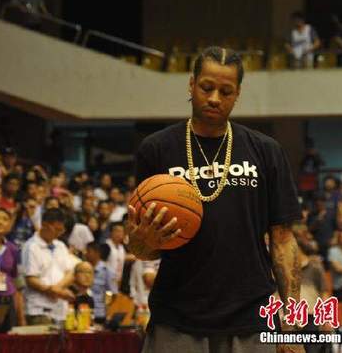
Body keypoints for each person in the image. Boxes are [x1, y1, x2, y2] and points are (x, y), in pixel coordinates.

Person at [130, 47, 302, 353]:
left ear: (237, 94)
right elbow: (142, 249)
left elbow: (283, 240)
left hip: (252, 317)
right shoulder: (156, 149)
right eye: (207, 87)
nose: (214, 98)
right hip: (177, 317)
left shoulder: (266, 150)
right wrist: (145, 241)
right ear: (191, 83)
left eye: (226, 91)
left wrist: (291, 324)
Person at [22, 208, 75, 325]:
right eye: (56, 229)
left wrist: (57, 289)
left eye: (61, 230)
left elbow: (71, 273)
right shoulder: (31, 246)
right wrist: (53, 291)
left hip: (60, 309)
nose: (59, 233)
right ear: (44, 224)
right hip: (39, 309)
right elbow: (30, 279)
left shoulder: (60, 245)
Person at [0, 207, 25, 329]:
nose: (0, 222)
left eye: (5, 219)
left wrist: (21, 318)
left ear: (9, 225)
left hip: (8, 301)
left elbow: (18, 284)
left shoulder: (13, 249)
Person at [86, 242, 117, 323]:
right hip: (84, 311)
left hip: (99, 313)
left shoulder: (107, 271)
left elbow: (111, 292)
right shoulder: (84, 268)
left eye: (89, 251)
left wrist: (105, 307)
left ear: (97, 253)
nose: (86, 254)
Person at [105, 221, 126, 289]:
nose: (118, 234)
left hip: (117, 281)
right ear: (111, 232)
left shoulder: (122, 248)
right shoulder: (106, 245)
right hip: (105, 281)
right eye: (116, 231)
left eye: (121, 231)